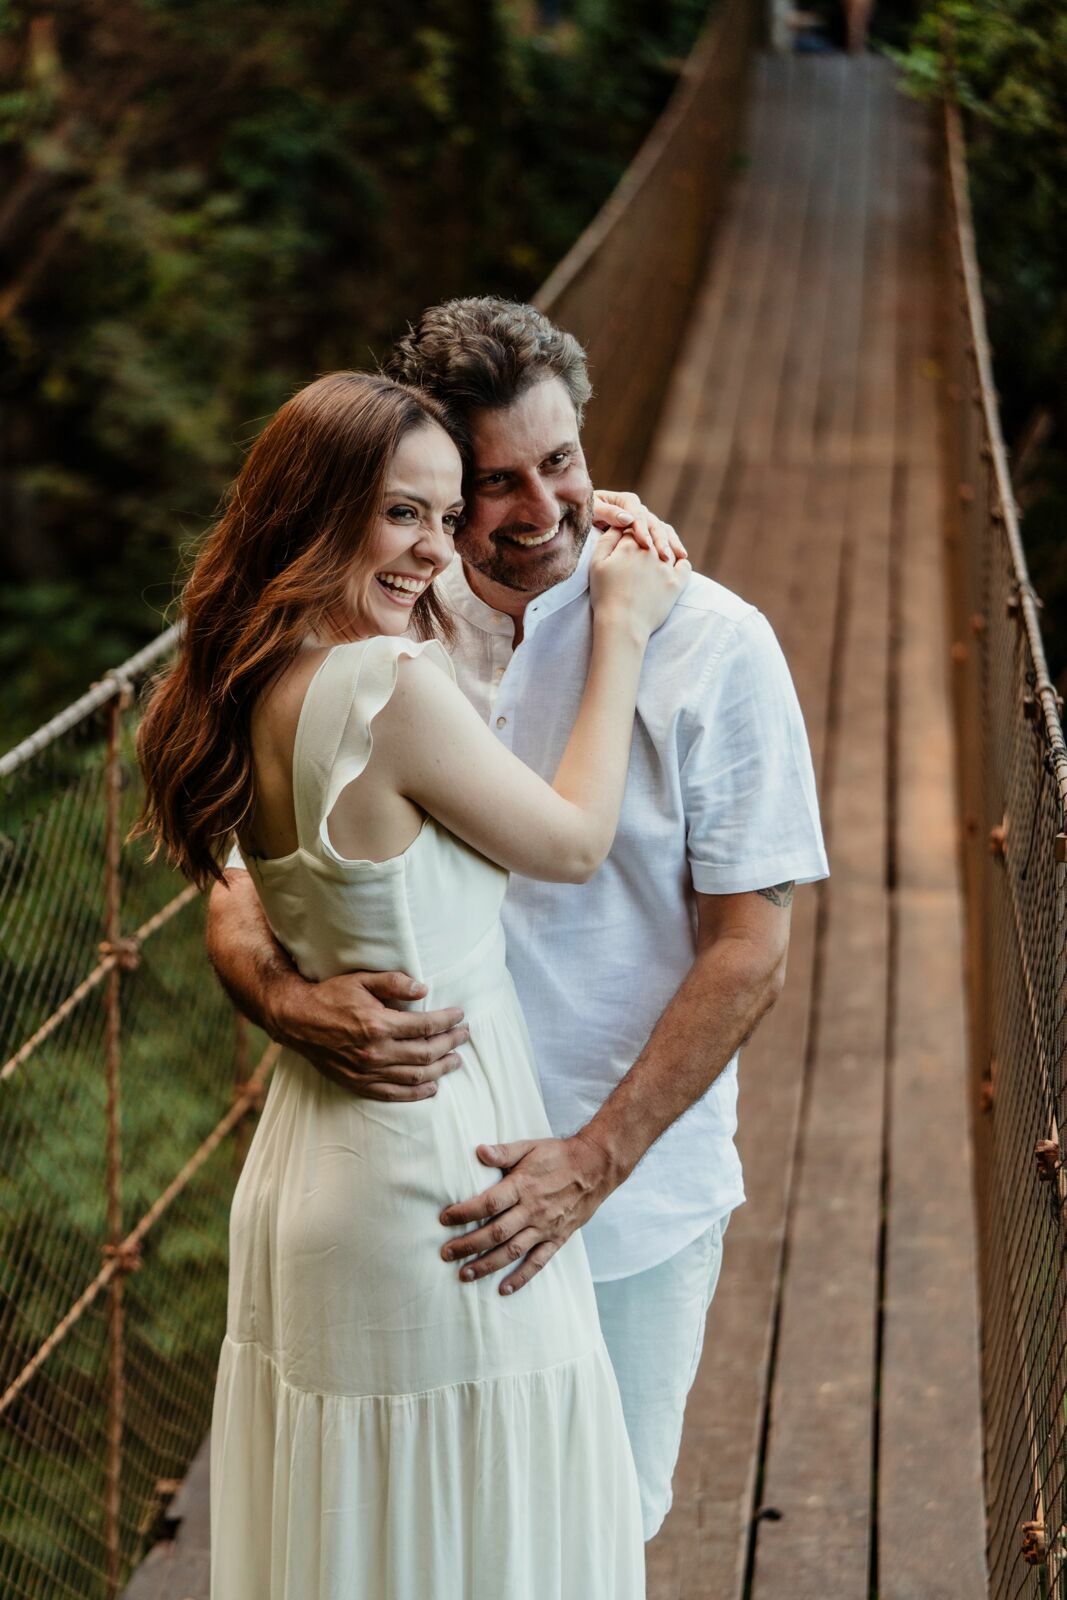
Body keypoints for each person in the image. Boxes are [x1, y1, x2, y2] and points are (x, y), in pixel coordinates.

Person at [207, 298, 830, 1540]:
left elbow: (750, 954)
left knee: (591, 1538)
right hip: (421, 1195)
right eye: (491, 484)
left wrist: (588, 1165)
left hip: (622, 1197)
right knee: (424, 1539)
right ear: (430, 486)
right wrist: (283, 997)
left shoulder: (711, 644)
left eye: (563, 463)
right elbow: (244, 875)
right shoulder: (385, 619)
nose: (540, 510)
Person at [136, 370, 690, 1598]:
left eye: (446, 516)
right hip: (441, 1188)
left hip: (313, 1166)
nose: (432, 551)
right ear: (316, 511)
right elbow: (572, 839)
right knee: (486, 1544)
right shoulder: (385, 689)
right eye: (402, 515)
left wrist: (559, 511)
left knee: (363, 1549)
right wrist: (625, 623)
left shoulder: (256, 673)